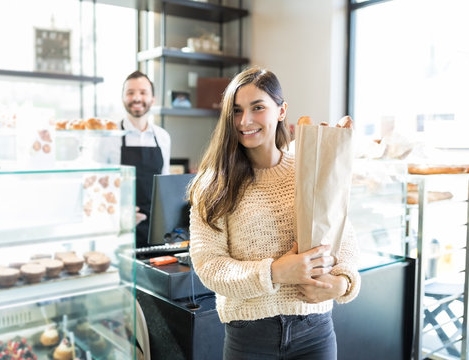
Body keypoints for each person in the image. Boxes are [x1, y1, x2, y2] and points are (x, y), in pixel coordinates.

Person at [187, 66, 360, 360]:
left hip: (314, 332)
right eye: (237, 111)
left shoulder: (310, 171)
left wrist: (342, 284)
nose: (246, 120)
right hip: (249, 338)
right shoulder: (213, 184)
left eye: (258, 108)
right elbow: (209, 266)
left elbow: (346, 242)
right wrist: (276, 271)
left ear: (281, 111)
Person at [120, 70, 171, 248]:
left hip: (155, 231)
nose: (137, 98)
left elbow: (165, 185)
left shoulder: (163, 137)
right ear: (123, 98)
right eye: (130, 92)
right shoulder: (110, 138)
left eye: (143, 93)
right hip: (121, 230)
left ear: (152, 99)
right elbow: (99, 188)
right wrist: (120, 215)